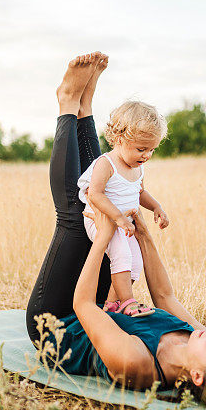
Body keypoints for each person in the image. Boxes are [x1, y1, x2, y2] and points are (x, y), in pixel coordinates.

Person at [25, 52, 206, 410]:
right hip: (94, 301)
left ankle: (66, 104)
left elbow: (83, 305)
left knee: (76, 216)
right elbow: (164, 296)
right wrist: (145, 235)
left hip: (58, 323)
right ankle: (85, 106)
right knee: (105, 183)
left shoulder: (136, 364)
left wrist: (104, 237)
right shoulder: (192, 337)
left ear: (197, 376)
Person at [77, 99, 169, 317]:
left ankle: (111, 304)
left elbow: (140, 193)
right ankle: (128, 301)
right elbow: (94, 194)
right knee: (121, 255)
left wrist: (156, 207)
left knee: (135, 261)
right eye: (141, 149)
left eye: (152, 150)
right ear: (119, 139)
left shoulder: (138, 168)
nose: (146, 155)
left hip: (124, 224)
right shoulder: (106, 164)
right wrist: (118, 218)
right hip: (102, 221)